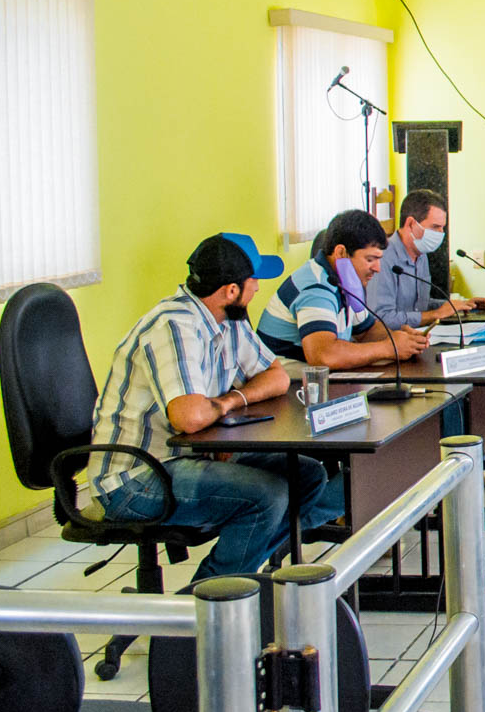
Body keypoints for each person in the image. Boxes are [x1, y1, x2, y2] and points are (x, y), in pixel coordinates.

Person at [89, 233, 346, 579]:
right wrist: (222, 408)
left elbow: (276, 377)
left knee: (308, 476)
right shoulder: (174, 326)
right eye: (253, 281)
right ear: (231, 290)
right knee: (266, 497)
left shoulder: (229, 321)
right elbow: (190, 416)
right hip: (135, 478)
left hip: (187, 457)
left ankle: (238, 580)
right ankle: (208, 604)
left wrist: (229, 400)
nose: (257, 288)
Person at [258, 209, 430, 368]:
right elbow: (324, 356)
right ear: (341, 253)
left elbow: (366, 331)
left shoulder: (347, 282)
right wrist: (389, 348)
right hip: (289, 386)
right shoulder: (316, 287)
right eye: (370, 259)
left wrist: (401, 338)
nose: (377, 268)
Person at [366, 189, 485, 328]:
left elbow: (418, 305)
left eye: (442, 228)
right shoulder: (382, 259)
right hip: (390, 345)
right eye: (435, 227)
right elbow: (381, 319)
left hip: (417, 338)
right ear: (411, 224)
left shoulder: (421, 255)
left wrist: (461, 305)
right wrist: (436, 314)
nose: (441, 233)